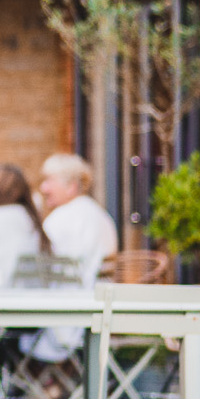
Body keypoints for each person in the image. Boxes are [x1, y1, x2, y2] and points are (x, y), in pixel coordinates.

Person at [26, 151, 117, 366]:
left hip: (71, 314)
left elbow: (38, 269)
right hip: (99, 310)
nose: (43, 189)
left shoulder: (63, 219)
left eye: (49, 181)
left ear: (71, 186)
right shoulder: (98, 215)